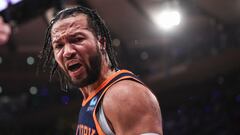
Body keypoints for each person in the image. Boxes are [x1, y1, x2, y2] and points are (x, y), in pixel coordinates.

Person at [39, 6, 163, 135]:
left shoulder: (123, 95)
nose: (67, 52)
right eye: (59, 45)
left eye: (77, 39)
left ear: (101, 43)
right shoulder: (93, 97)